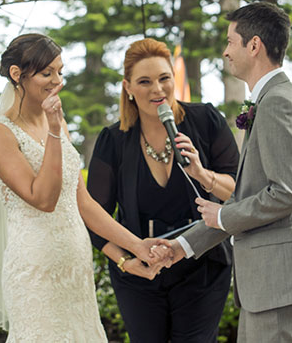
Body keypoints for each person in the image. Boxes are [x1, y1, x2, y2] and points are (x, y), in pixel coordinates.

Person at [163, 2, 292, 343]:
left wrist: (224, 216)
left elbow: (286, 193)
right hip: (272, 282)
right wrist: (182, 245)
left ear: (254, 45)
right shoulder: (276, 99)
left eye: (230, 41)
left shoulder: (277, 103)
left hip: (277, 279)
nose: (225, 51)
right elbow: (251, 198)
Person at [0, 33, 167, 342]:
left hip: (75, 266)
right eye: (47, 72)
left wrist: (137, 246)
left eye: (60, 71)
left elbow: (82, 202)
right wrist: (54, 131)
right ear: (17, 75)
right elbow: (43, 199)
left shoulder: (56, 121)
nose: (57, 81)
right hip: (35, 270)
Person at [87, 38, 239, 343]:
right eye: (144, 81)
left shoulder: (206, 121)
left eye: (164, 78)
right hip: (139, 271)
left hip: (202, 265)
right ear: (127, 87)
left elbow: (239, 193)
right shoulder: (112, 141)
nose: (157, 89)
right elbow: (94, 218)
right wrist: (124, 262)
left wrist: (202, 173)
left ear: (174, 78)